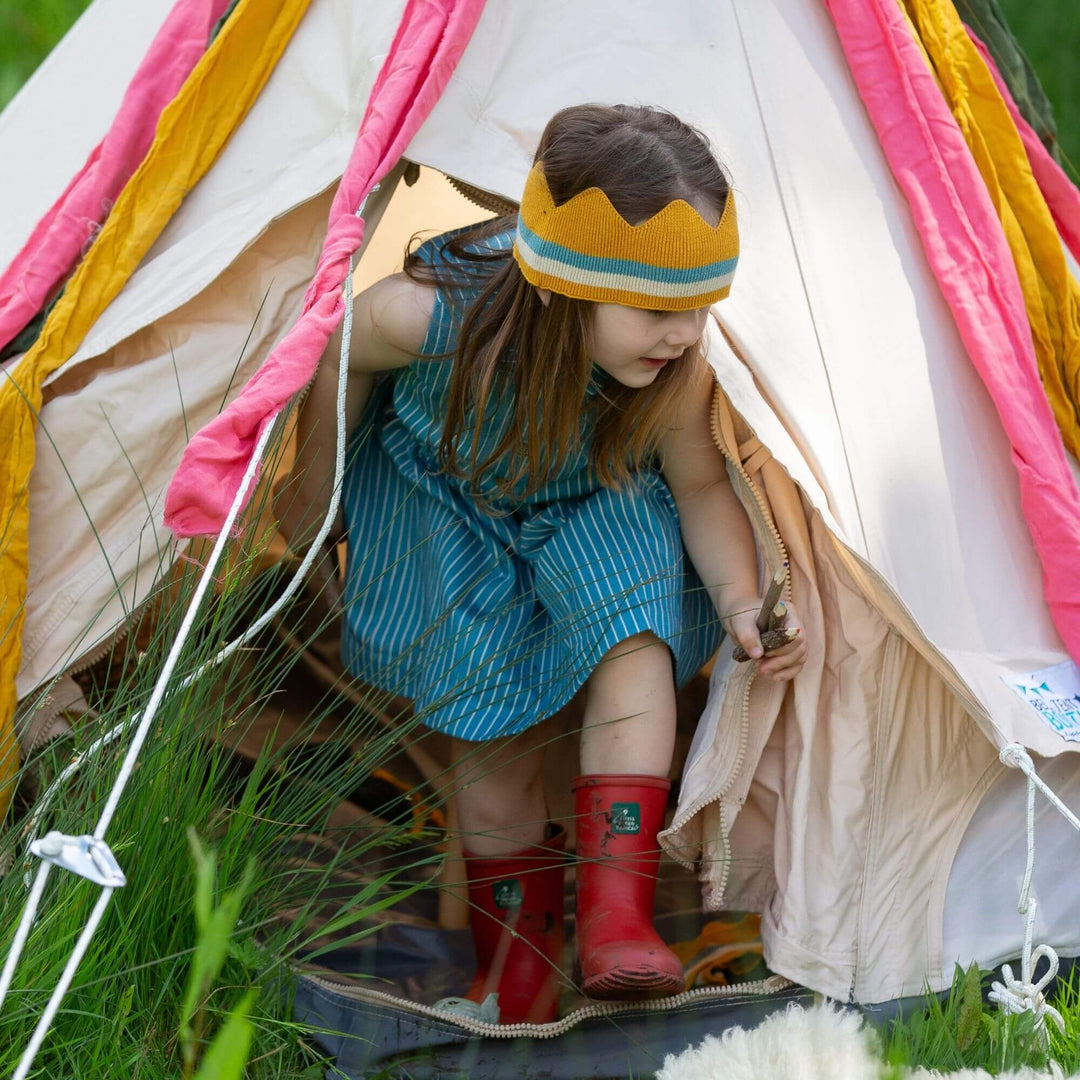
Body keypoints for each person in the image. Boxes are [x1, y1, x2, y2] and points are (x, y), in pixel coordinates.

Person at [276, 104, 807, 1024]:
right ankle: (515, 968)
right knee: (490, 737)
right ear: (565, 282)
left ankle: (616, 919)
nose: (682, 334)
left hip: (591, 496)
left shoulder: (672, 368)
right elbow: (337, 356)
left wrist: (738, 599)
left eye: (697, 311)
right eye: (654, 310)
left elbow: (698, 486)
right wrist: (313, 491)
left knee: (634, 644)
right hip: (451, 502)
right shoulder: (427, 315)